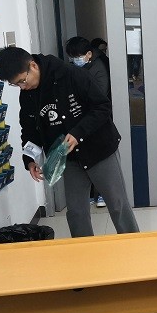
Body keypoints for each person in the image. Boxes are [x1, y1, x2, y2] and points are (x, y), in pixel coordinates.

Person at [0, 46, 139, 237]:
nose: (22, 87)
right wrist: (29, 159)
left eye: (22, 81)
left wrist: (78, 133)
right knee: (76, 212)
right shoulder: (28, 94)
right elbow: (29, 128)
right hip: (68, 157)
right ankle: (83, 252)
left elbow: (102, 107)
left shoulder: (71, 75)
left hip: (99, 149)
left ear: (33, 66)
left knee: (117, 204)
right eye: (16, 85)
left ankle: (134, 247)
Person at [65, 36, 111, 208]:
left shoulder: (99, 68)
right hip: (79, 123)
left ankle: (101, 194)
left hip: (96, 121)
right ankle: (90, 194)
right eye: (72, 57)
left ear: (89, 54)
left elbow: (99, 96)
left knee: (99, 160)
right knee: (83, 160)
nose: (74, 60)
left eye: (78, 57)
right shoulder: (72, 69)